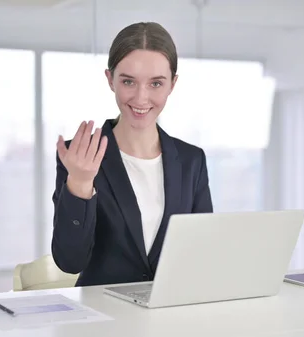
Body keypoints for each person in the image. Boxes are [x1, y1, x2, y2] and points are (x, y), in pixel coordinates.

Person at [51, 22, 214, 287]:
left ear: (172, 84)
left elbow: (202, 251)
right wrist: (80, 184)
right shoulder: (78, 156)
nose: (141, 98)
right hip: (103, 320)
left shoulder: (191, 161)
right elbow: (70, 262)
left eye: (156, 84)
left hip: (169, 317)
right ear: (110, 79)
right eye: (128, 81)